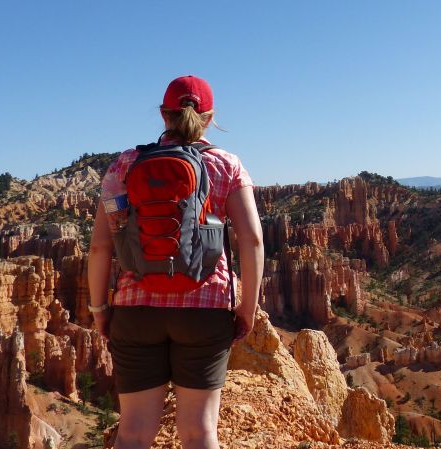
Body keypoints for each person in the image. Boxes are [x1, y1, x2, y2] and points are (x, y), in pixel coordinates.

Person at [87, 75, 264, 449]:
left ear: (163, 114)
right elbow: (252, 240)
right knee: (199, 432)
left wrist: (100, 310)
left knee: (133, 432)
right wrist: (247, 309)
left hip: (136, 309)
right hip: (205, 310)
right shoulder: (226, 164)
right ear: (210, 118)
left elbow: (100, 247)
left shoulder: (125, 164)